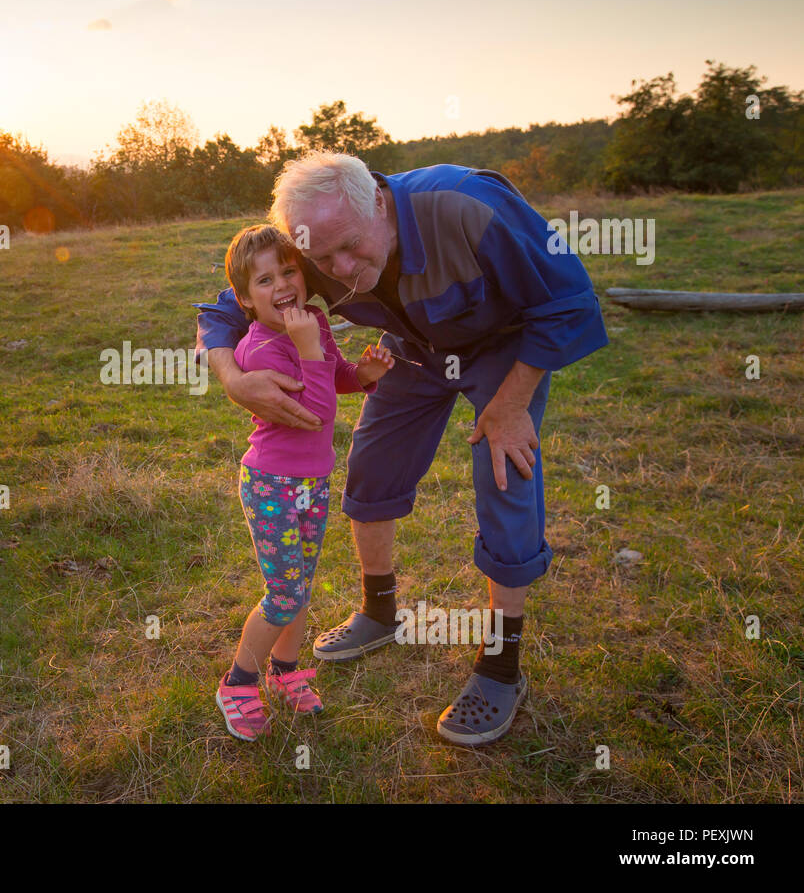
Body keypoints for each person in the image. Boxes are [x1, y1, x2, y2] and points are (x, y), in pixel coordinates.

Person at [196, 154, 608, 745]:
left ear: (379, 205)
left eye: (352, 248)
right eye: (321, 259)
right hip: (413, 349)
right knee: (371, 471)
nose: (338, 271)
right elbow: (224, 307)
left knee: (504, 479)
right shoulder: (312, 246)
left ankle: (500, 667)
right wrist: (232, 378)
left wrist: (513, 402)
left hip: (503, 349)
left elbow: (571, 301)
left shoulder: (469, 207)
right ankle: (380, 611)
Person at [214, 224, 394, 742]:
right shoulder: (260, 351)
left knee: (301, 586)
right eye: (264, 280)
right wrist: (307, 347)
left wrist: (361, 374)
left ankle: (286, 671)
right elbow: (313, 414)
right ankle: (238, 683)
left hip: (312, 482)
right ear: (246, 300)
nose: (282, 286)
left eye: (288, 270)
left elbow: (333, 376)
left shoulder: (312, 321)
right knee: (283, 594)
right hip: (271, 482)